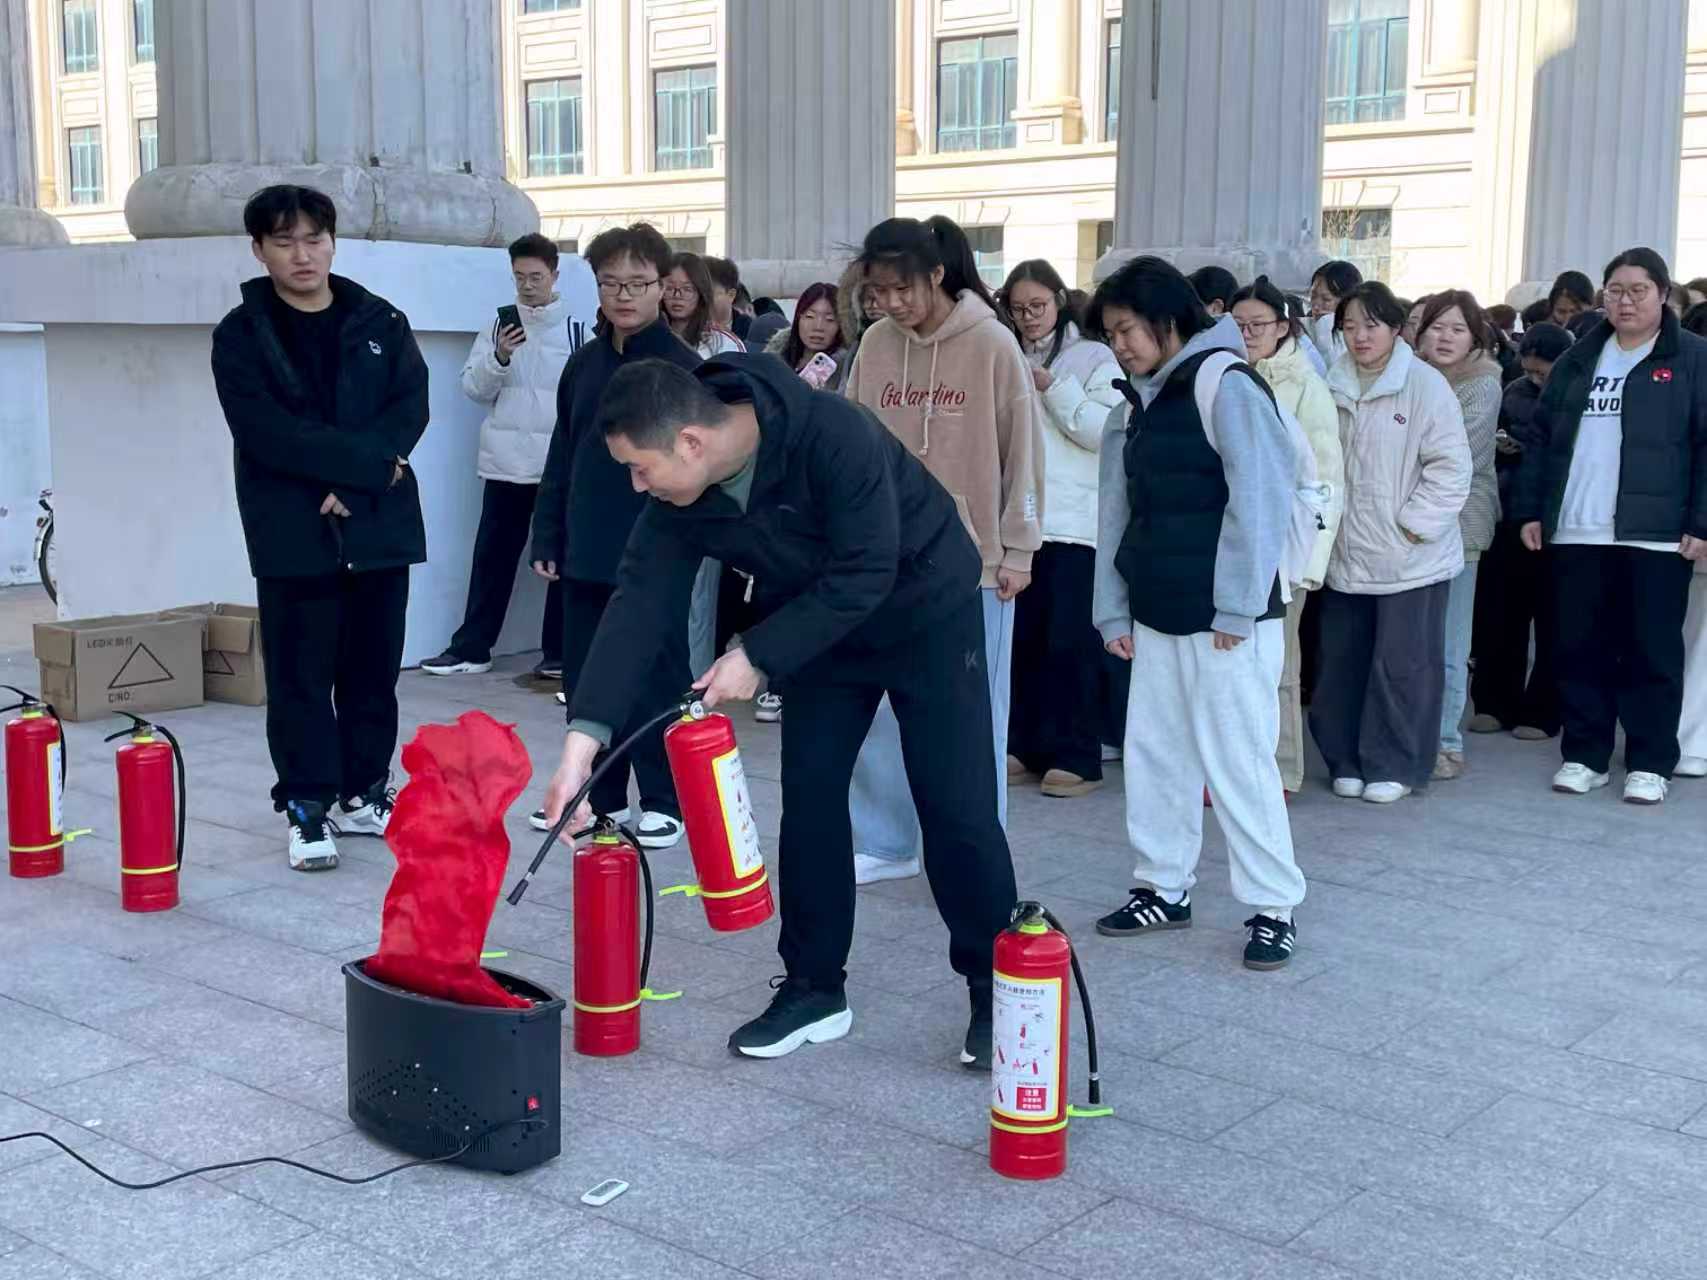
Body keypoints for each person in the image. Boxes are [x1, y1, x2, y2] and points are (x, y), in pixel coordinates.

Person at [540, 356, 1019, 1065]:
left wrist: (757, 655)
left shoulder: (831, 434)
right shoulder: (682, 496)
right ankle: (814, 986)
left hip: (925, 611)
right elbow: (638, 602)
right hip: (817, 627)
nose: (637, 486)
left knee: (955, 804)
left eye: (640, 468)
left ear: (690, 443)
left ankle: (998, 988)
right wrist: (582, 744)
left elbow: (866, 569)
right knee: (811, 802)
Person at [1087, 257, 1306, 969]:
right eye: (1110, 334)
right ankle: (1162, 887)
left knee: (1239, 762)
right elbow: (1115, 513)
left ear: (1166, 320)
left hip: (1227, 622)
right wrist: (1112, 612)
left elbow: (1260, 500)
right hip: (1156, 610)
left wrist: (1236, 609)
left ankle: (1272, 906)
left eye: (1126, 329)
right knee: (1156, 757)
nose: (1119, 345)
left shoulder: (1225, 384)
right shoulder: (1134, 405)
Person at [211, 185, 426, 871]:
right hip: (292, 528)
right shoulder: (241, 335)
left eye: (314, 239)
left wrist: (355, 483)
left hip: (377, 525)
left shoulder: (381, 320)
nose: (302, 254)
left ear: (333, 243)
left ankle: (363, 792)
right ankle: (307, 804)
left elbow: (409, 409)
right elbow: (265, 432)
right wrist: (353, 472)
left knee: (372, 671)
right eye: (284, 241)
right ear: (259, 250)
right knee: (301, 676)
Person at [842, 216, 1045, 884]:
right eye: (879, 291)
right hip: (884, 560)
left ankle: (972, 850)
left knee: (971, 715)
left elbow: (1023, 451)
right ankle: (885, 841)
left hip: (974, 564)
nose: (892, 303)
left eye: (903, 288)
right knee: (878, 708)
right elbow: (848, 442)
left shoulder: (991, 343)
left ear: (936, 275)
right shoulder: (875, 345)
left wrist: (1019, 549)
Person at [1511, 247, 1707, 805]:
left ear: (1663, 295)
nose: (1625, 302)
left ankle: (1650, 762)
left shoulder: (1693, 358)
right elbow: (1542, 439)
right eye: (1615, 291)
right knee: (1579, 648)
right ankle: (1585, 755)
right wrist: (1532, 510)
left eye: (1638, 291)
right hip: (1579, 528)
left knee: (1652, 652)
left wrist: (1701, 521)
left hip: (1657, 534)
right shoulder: (1580, 358)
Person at [529, 222, 699, 846]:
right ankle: (598, 798)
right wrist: (547, 533)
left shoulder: (686, 368)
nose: (624, 295)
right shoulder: (584, 365)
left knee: (656, 672)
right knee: (587, 672)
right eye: (611, 283)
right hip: (585, 544)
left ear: (662, 286)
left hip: (657, 545)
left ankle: (664, 799)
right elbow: (562, 454)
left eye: (637, 283)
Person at [1309, 281, 1471, 803]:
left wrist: (1413, 526)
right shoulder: (1330, 383)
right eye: (1349, 326)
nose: (1360, 336)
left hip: (1410, 558)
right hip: (1346, 552)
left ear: (1397, 329)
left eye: (1372, 325)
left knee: (1403, 668)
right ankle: (1346, 758)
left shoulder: (1424, 385)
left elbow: (1451, 468)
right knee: (1343, 663)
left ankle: (1394, 764)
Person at [421, 233, 573, 681]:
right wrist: (501, 356)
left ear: (554, 275)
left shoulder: (577, 327)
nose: (527, 285)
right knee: (492, 559)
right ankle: (472, 648)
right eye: (519, 276)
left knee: (562, 561)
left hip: (556, 465)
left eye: (536, 276)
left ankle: (559, 653)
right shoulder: (497, 326)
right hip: (505, 462)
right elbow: (473, 388)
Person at [998, 259, 1123, 798]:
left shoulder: (1094, 355)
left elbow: (1106, 430)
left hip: (1075, 524)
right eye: (1019, 308)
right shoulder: (1004, 350)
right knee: (1023, 640)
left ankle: (1076, 752)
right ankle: (1024, 744)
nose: (1029, 317)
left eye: (1038, 305)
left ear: (1059, 300)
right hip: (1022, 518)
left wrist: (1053, 387)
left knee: (1069, 642)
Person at [1229, 276, 1344, 796]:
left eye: (1259, 324)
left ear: (1283, 326)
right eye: (1238, 324)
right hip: (1232, 541)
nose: (1248, 333)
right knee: (1231, 663)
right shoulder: (1223, 374)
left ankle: (1281, 766)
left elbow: (1324, 479)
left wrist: (1309, 561)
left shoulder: (1305, 384)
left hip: (1285, 547)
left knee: (1279, 664)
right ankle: (1235, 766)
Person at [1469, 322, 1572, 741]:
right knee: (1500, 617)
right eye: (1528, 371)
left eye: (1542, 372)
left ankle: (1543, 710)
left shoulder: (1577, 394)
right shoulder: (1512, 392)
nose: (1535, 379)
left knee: (1553, 621)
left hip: (1556, 521)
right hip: (1509, 517)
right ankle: (1493, 703)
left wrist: (1528, 449)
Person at [1415, 290, 1503, 781]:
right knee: (1412, 641)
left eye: (1457, 329)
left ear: (1475, 338)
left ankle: (1445, 741)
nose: (1445, 338)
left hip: (1460, 525)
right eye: (1436, 327)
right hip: (1404, 525)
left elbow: (1455, 455)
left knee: (1449, 641)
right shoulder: (1410, 376)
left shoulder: (1482, 383)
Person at [765, 280, 847, 390]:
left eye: (830, 319)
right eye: (810, 316)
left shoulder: (847, 370)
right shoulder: (774, 359)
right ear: (798, 318)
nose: (818, 327)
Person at [662, 252, 746, 358]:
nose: (677, 295)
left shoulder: (724, 344)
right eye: (669, 288)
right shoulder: (650, 337)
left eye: (687, 289)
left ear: (701, 293)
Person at [1308, 259, 1362, 364]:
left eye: (1326, 299)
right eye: (1313, 296)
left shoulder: (1359, 337)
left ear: (1347, 302)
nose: (1316, 306)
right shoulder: (1303, 328)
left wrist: (1324, 327)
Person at [705, 256, 749, 341]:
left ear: (731, 295)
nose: (701, 299)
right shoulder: (684, 329)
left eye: (708, 293)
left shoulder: (749, 331)